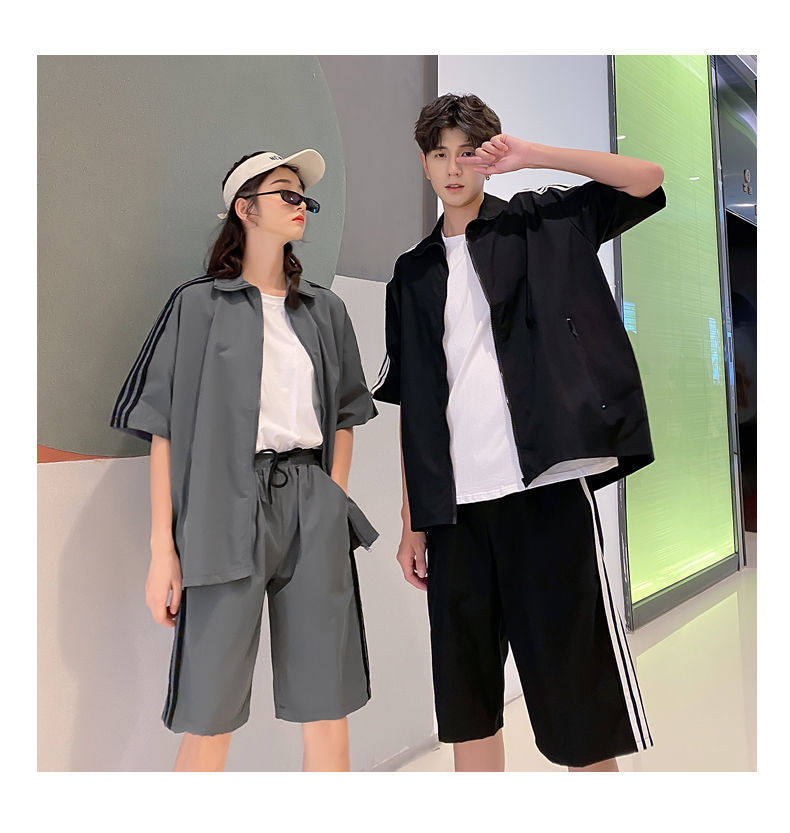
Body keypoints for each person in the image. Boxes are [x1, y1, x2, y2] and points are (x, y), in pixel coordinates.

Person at [371, 94, 666, 772]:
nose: (453, 168)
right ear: (424, 164)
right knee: (467, 706)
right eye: (440, 154)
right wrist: (413, 519)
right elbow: (417, 404)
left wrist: (533, 156)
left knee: (580, 705)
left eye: (467, 153)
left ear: (488, 157)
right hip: (455, 517)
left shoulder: (541, 222)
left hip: (545, 495)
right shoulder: (412, 273)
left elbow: (646, 178)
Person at [110, 148, 380, 771]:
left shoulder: (326, 310)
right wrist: (162, 549)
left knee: (327, 705)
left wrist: (333, 498)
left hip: (311, 500)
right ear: (245, 208)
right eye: (286, 192)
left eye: (304, 197)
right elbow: (162, 428)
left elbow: (346, 413)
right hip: (222, 507)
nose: (301, 205)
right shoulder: (197, 306)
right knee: (208, 709)